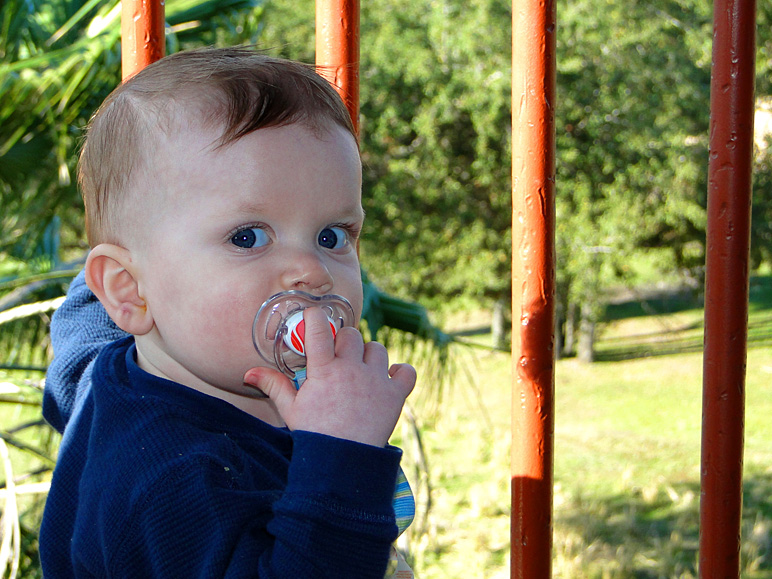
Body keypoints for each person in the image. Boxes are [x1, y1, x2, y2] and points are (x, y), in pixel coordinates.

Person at [39, 46, 417, 578]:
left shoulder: (110, 376)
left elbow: (82, 331)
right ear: (126, 292)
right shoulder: (171, 484)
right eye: (248, 237)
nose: (312, 271)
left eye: (332, 235)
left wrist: (146, 272)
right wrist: (341, 454)